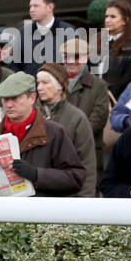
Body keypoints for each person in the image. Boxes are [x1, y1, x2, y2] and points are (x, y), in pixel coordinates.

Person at [0, 72, 86, 197]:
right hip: (2, 213)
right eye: (5, 99)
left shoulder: (55, 132)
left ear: (32, 98)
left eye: (15, 98)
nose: (9, 104)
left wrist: (36, 174)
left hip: (40, 212)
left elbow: (75, 178)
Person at [36, 64, 97, 197]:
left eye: (45, 83)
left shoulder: (77, 118)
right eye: (38, 83)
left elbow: (87, 163)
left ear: (59, 86)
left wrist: (84, 200)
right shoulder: (31, 115)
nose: (40, 88)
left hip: (68, 196)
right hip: (37, 195)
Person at [59, 36, 111, 174]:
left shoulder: (99, 85)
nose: (71, 61)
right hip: (58, 154)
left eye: (76, 57)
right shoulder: (53, 83)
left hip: (88, 152)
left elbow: (98, 119)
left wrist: (67, 138)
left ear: (87, 57)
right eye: (66, 56)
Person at [20, 0, 75, 75]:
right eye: (30, 6)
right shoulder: (23, 32)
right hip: (31, 87)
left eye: (36, 6)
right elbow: (15, 65)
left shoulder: (68, 31)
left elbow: (76, 62)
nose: (31, 10)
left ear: (50, 7)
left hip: (60, 86)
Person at [101, 0, 131, 100]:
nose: (107, 20)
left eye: (113, 17)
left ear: (125, 20)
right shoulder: (99, 41)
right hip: (99, 96)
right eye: (106, 16)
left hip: (124, 97)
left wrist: (110, 94)